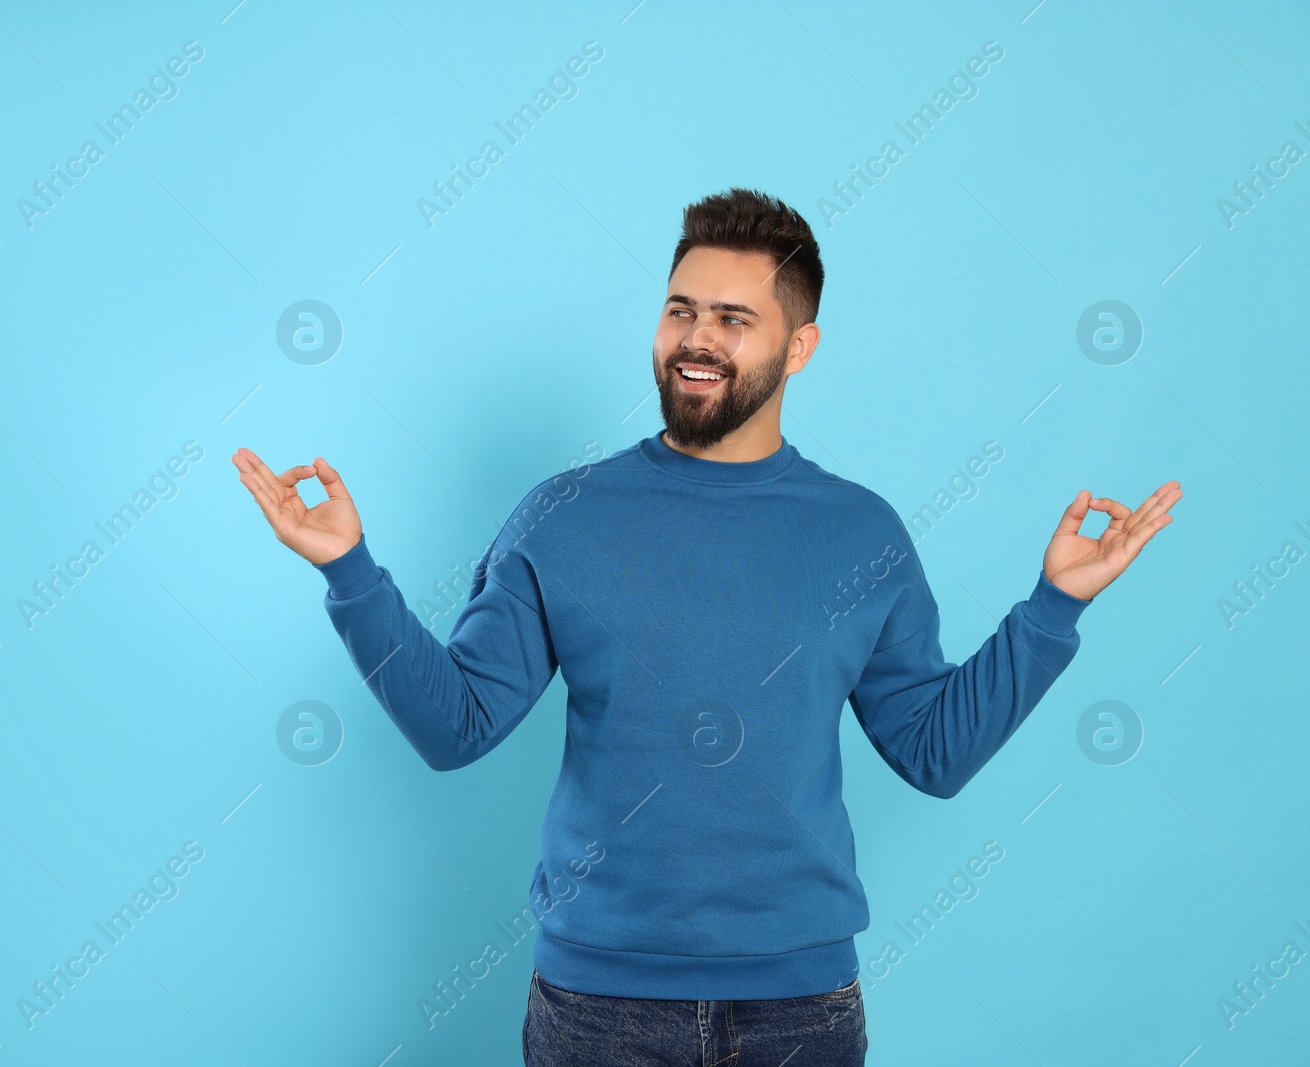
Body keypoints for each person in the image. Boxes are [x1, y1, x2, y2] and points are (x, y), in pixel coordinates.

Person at [233, 187, 1181, 1066]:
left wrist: (1055, 605)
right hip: (597, 1005)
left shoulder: (860, 532)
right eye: (681, 308)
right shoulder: (563, 516)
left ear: (798, 346)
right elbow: (456, 725)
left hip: (801, 1010)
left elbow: (935, 750)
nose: (698, 338)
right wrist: (348, 570)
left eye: (734, 318)